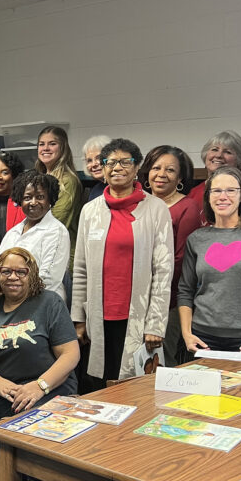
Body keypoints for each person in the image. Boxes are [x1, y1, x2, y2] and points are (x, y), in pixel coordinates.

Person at [0, 247, 80, 481]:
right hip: (11, 394)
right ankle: (36, 470)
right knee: (22, 439)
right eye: (6, 271)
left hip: (51, 387)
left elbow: (70, 354)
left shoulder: (49, 302)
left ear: (31, 274)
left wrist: (40, 385)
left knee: (40, 437)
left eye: (21, 272)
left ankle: (39, 478)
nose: (13, 277)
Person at [72, 139, 173, 382]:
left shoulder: (156, 209)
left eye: (125, 161)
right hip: (97, 316)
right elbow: (81, 268)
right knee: (98, 383)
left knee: (134, 386)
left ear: (137, 167)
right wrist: (79, 318)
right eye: (110, 162)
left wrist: (156, 324)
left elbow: (163, 270)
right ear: (104, 169)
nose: (117, 167)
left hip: (137, 317)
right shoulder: (90, 210)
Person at [179, 165, 241, 357]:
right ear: (208, 196)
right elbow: (185, 290)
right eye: (216, 190)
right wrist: (186, 333)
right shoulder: (197, 238)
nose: (223, 196)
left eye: (231, 190)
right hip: (202, 337)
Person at [138, 145, 202, 365]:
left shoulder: (188, 207)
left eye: (170, 170)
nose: (161, 174)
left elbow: (180, 259)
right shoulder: (138, 205)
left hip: (168, 300)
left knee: (159, 361)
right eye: (156, 168)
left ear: (180, 177)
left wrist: (148, 288)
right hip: (135, 300)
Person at [0, 170, 71, 301]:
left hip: (42, 303)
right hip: (10, 302)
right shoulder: (13, 232)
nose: (33, 202)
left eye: (40, 197)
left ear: (50, 200)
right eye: (27, 197)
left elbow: (49, 278)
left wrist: (17, 296)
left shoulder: (56, 231)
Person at [185, 130, 241, 223]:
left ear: (239, 160)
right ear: (205, 155)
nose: (219, 155)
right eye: (214, 149)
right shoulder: (193, 194)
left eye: (227, 152)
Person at [35, 125, 83, 266]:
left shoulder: (68, 181)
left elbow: (57, 220)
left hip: (62, 257)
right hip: (41, 252)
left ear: (63, 148)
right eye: (41, 144)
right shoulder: (39, 177)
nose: (45, 148)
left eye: (52, 144)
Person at [82, 134, 111, 202]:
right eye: (89, 160)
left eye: (99, 158)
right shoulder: (96, 190)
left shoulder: (124, 189)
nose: (94, 164)